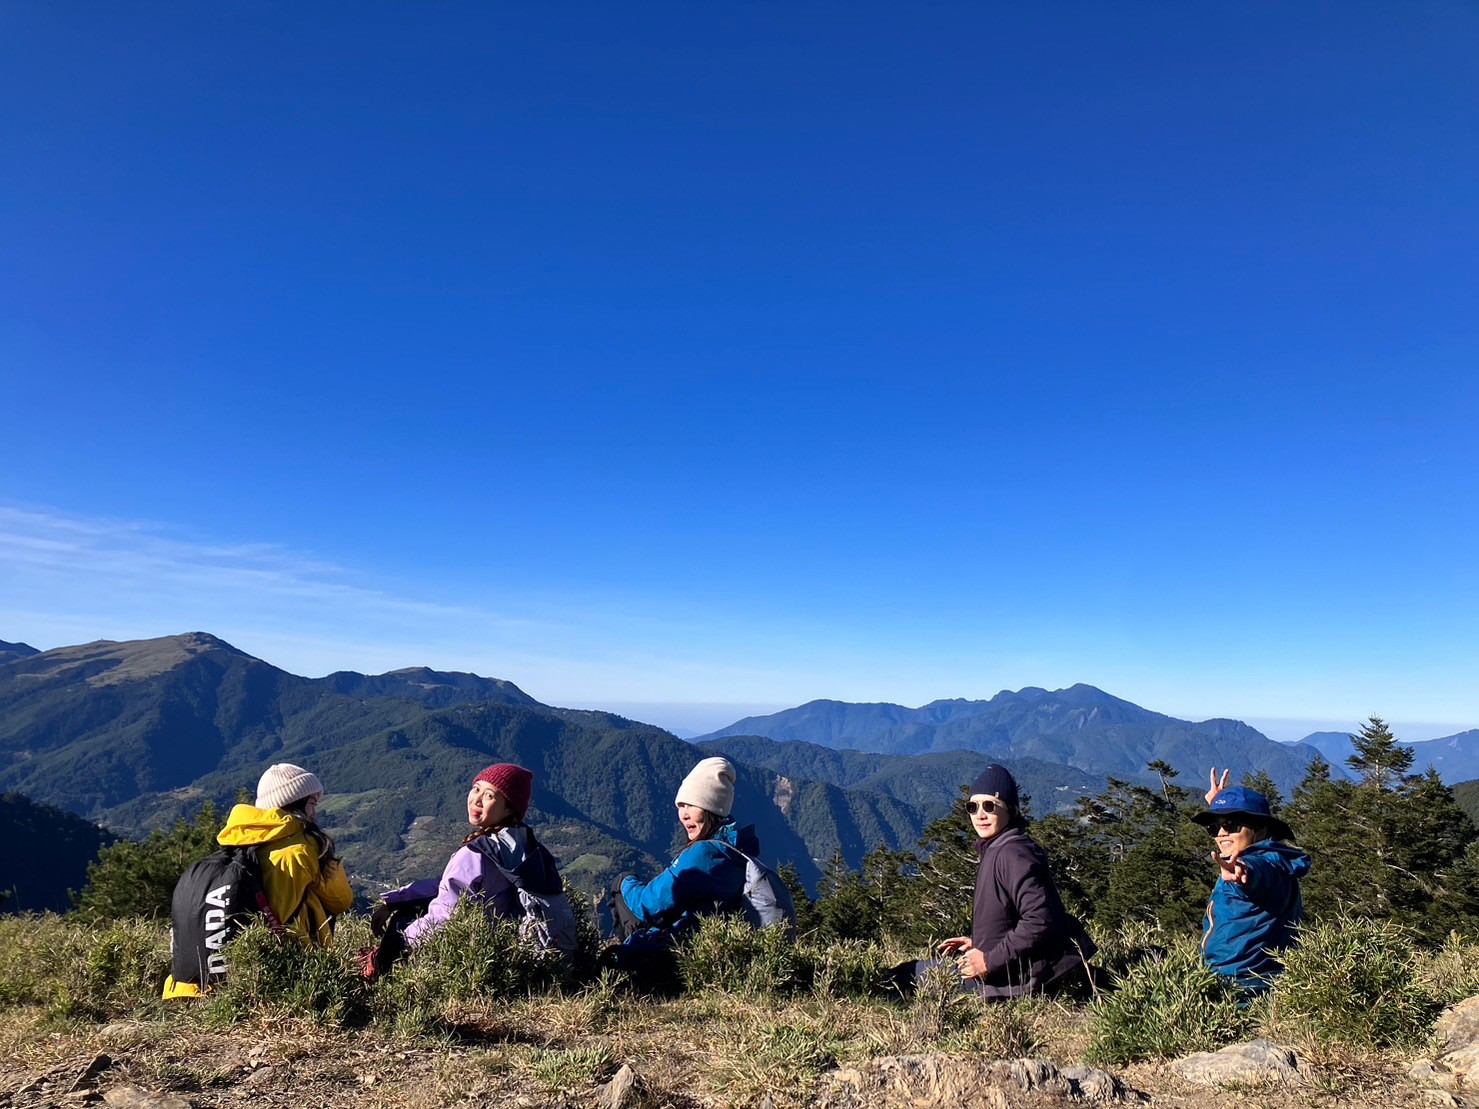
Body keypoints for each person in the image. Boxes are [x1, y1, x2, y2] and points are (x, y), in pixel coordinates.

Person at [362, 762, 577, 976]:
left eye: (490, 795)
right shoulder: (525, 846)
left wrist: (402, 941)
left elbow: (445, 918)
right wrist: (394, 899)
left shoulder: (475, 854)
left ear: (510, 807)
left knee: (405, 917)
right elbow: (446, 885)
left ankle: (379, 971)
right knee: (412, 905)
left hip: (468, 956)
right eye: (476, 789)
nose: (477, 799)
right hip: (504, 950)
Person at [162, 762, 353, 999]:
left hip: (187, 988)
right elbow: (341, 901)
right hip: (275, 977)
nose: (315, 812)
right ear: (296, 804)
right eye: (312, 803)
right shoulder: (305, 848)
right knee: (315, 895)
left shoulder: (239, 844)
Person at [934, 764, 1097, 999]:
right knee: (916, 972)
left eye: (989, 806)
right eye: (973, 807)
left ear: (1010, 810)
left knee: (904, 976)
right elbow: (1016, 917)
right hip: (1013, 971)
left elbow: (1040, 920)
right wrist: (980, 942)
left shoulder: (1013, 853)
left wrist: (988, 960)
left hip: (1014, 980)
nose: (980, 814)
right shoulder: (1001, 847)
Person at [610, 756, 759, 953]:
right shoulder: (738, 846)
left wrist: (624, 882)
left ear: (711, 808)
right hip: (718, 945)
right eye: (681, 805)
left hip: (685, 950)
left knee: (621, 892)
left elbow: (649, 906)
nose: (684, 814)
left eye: (691, 805)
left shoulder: (703, 854)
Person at [1195, 769, 1310, 993]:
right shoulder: (1278, 859)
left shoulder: (1265, 865)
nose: (1220, 833)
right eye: (1214, 827)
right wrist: (1217, 803)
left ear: (1259, 830)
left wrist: (1242, 874)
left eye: (1231, 825)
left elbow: (1258, 875)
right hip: (1253, 978)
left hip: (1241, 987)